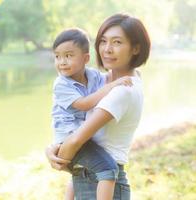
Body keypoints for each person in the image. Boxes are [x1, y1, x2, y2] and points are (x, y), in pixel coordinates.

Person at [46, 13, 151, 199]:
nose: (107, 49)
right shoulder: (102, 82)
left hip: (104, 180)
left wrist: (58, 155)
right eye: (103, 41)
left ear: (136, 48)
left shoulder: (122, 89)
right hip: (85, 178)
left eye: (117, 42)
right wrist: (54, 147)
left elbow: (76, 141)